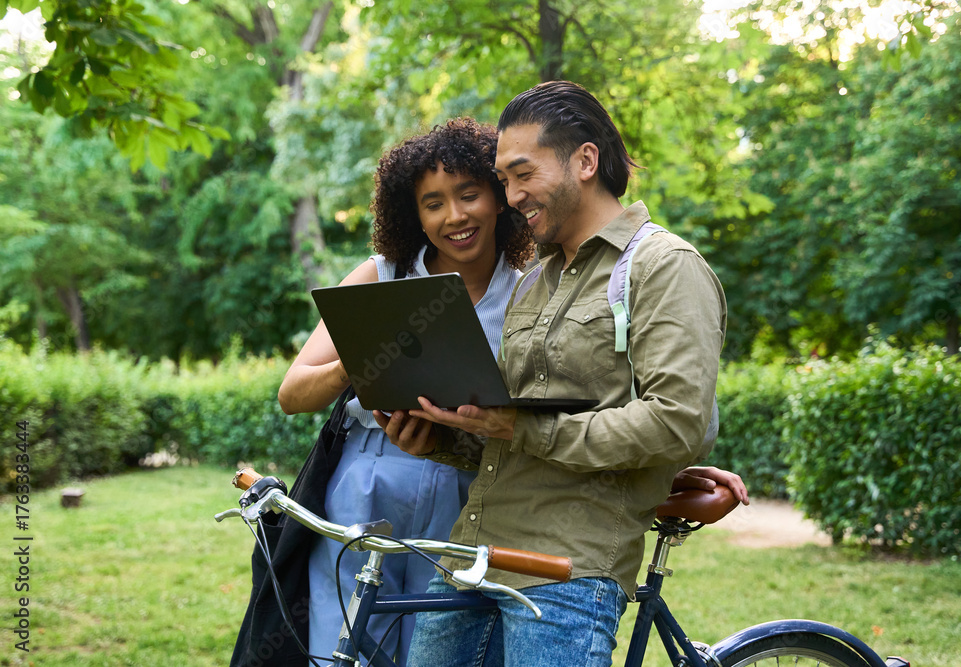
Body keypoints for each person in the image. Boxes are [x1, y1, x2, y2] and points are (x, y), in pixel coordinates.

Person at [374, 81, 748, 666]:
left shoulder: (663, 267)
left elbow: (678, 424)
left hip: (567, 572)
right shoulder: (534, 279)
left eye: (523, 174)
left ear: (586, 161)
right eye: (504, 180)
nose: (512, 195)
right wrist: (440, 437)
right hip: (471, 556)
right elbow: (513, 436)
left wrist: (523, 430)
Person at [277, 117, 534, 665]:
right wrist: (360, 357)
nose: (455, 216)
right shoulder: (382, 275)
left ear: (500, 198)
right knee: (345, 647)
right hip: (366, 482)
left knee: (439, 649)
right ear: (412, 214)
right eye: (433, 203)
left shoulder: (532, 290)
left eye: (469, 195)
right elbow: (293, 393)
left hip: (469, 491)